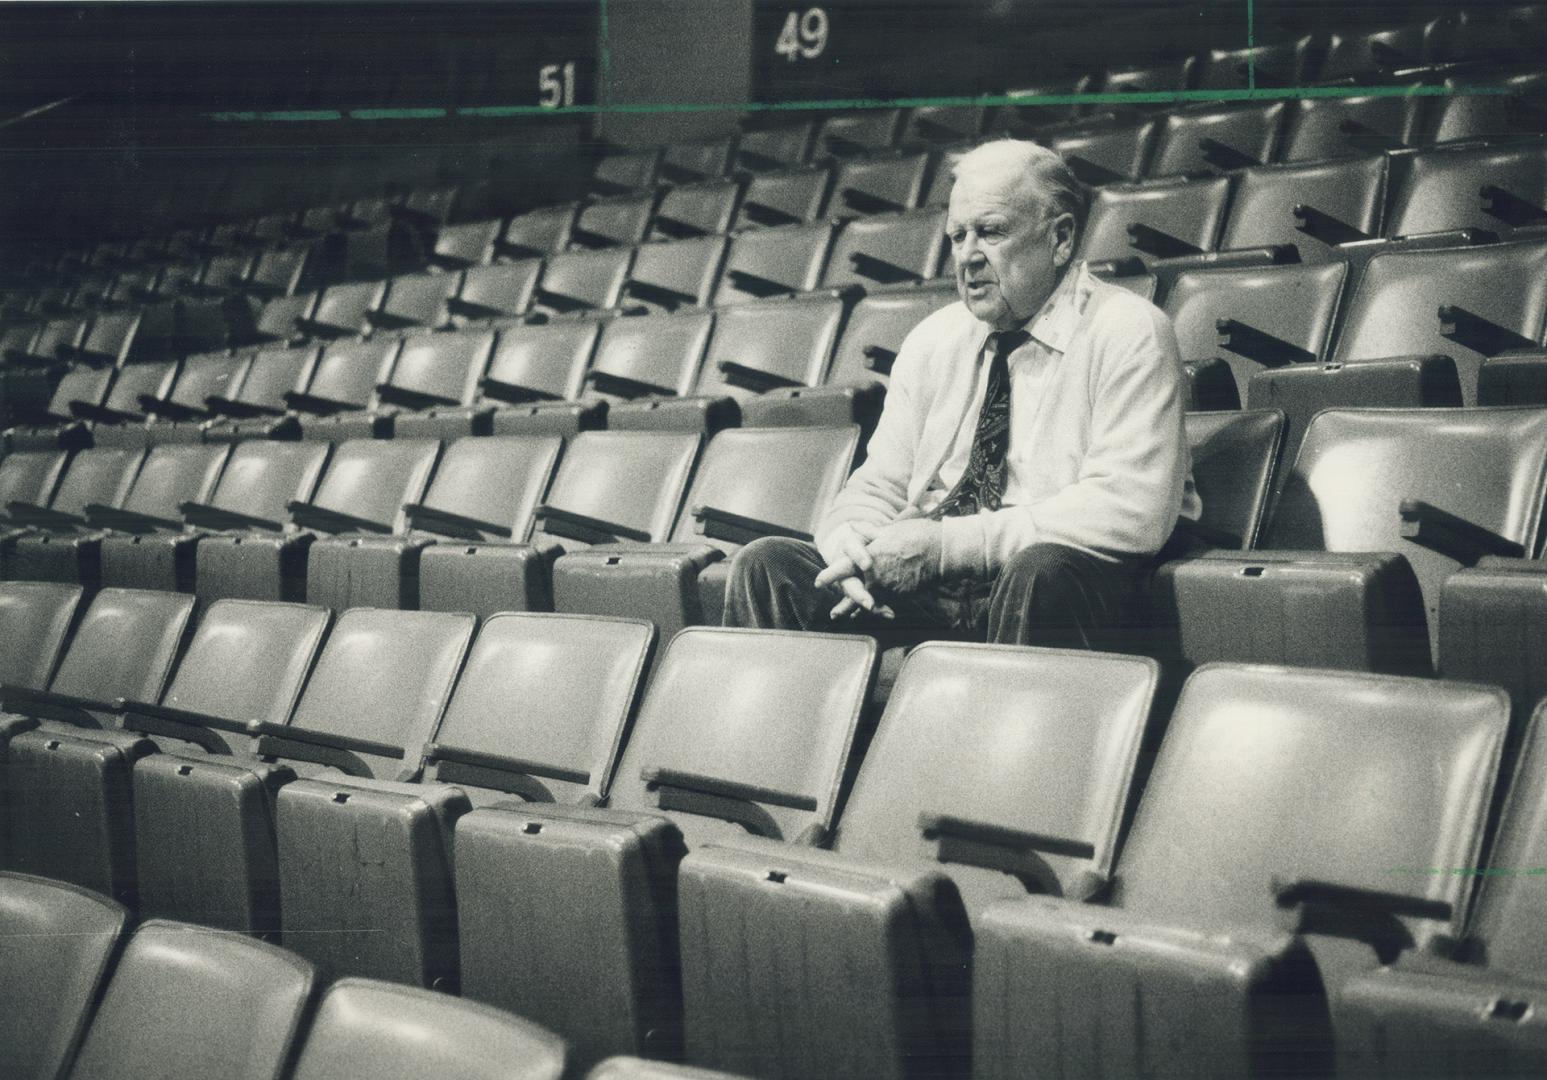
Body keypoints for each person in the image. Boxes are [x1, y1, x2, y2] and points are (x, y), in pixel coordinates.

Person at [722, 138, 1200, 650]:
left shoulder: (1128, 330)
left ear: (1061, 239)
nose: (968, 257)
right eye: (957, 236)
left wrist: (948, 547)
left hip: (1052, 583)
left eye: (991, 232)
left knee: (1041, 571)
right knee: (767, 566)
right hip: (931, 585)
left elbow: (1130, 509)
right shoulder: (934, 339)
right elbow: (879, 485)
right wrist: (851, 546)